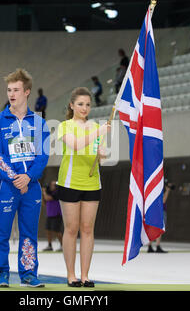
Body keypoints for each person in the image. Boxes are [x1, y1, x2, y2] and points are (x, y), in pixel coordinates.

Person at [0, 68, 50, 288]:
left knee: (29, 233)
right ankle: (2, 274)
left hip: (31, 187)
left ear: (27, 92)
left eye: (16, 89)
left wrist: (29, 177)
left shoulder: (39, 123)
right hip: (7, 186)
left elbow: (43, 155)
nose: (11, 94)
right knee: (2, 232)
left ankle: (28, 274)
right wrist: (16, 178)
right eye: (9, 90)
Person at [56, 87, 111, 288]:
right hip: (70, 183)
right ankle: (71, 275)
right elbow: (77, 145)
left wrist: (102, 154)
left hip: (92, 183)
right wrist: (98, 131)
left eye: (88, 104)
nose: (84, 108)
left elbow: (100, 156)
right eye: (80, 104)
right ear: (72, 105)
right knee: (71, 229)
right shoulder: (64, 126)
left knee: (88, 229)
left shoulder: (96, 127)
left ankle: (85, 275)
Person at [147, 180, 173, 253]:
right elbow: (163, 201)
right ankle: (157, 246)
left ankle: (150, 246)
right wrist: (168, 190)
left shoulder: (154, 191)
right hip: (160, 212)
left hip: (154, 211)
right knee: (159, 230)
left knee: (153, 229)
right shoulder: (160, 192)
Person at [42, 180, 63, 252]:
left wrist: (44, 192)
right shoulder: (49, 192)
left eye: (54, 185)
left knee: (56, 230)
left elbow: (48, 198)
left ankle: (63, 245)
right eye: (52, 185)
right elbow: (44, 202)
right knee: (48, 230)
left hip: (57, 214)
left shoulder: (57, 192)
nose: (53, 186)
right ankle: (49, 245)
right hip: (50, 214)